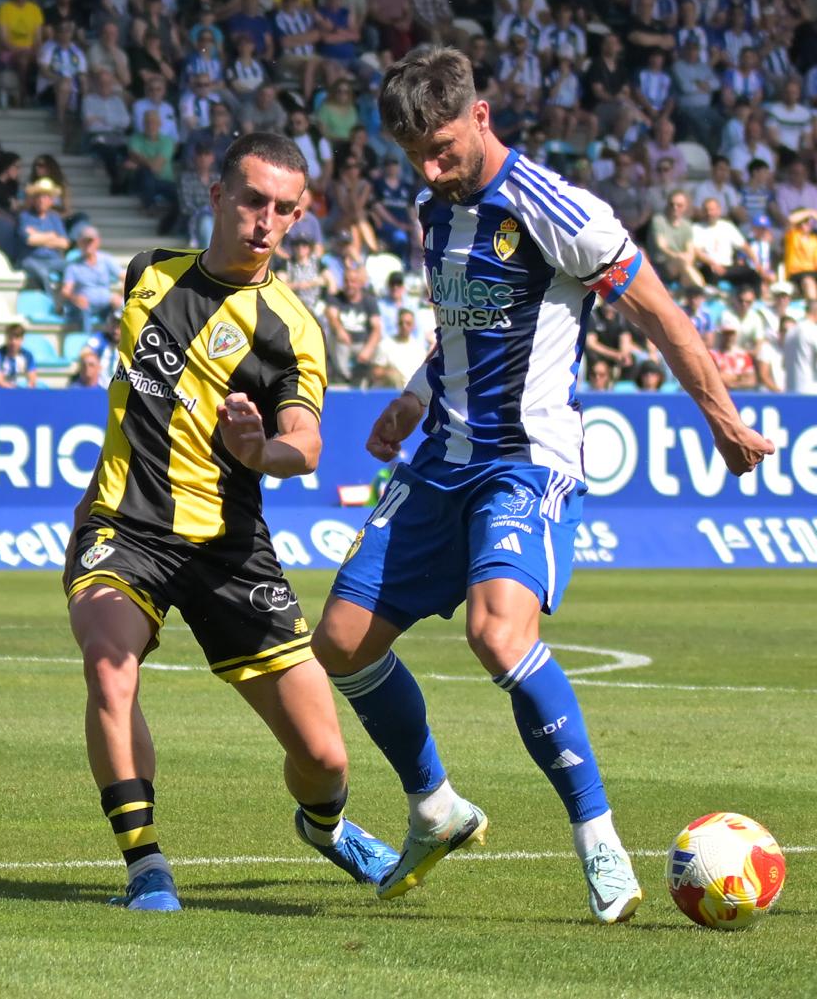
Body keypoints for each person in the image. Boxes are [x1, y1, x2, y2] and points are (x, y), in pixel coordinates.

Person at [308, 47, 772, 924]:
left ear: (480, 116)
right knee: (342, 641)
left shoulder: (556, 208)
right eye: (414, 152)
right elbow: (461, 330)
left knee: (495, 630)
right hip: (439, 460)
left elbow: (663, 314)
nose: (430, 166)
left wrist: (720, 416)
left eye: (442, 146)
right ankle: (436, 808)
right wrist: (411, 398)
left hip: (529, 460)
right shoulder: (428, 206)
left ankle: (597, 837)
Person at [62, 132, 400, 912]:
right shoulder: (147, 276)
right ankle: (146, 865)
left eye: (284, 209)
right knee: (110, 665)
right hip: (127, 528)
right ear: (214, 195)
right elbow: (129, 407)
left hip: (229, 548)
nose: (265, 221)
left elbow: (307, 444)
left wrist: (263, 446)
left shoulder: (289, 328)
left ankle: (326, 825)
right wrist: (87, 509)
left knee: (324, 756)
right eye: (253, 200)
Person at [0, 322, 38, 388]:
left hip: (14, 392)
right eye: (10, 338)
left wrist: (28, 388)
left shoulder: (27, 355)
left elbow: (32, 380)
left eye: (17, 338)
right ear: (6, 338)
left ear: (22, 339)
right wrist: (16, 390)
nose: (13, 342)